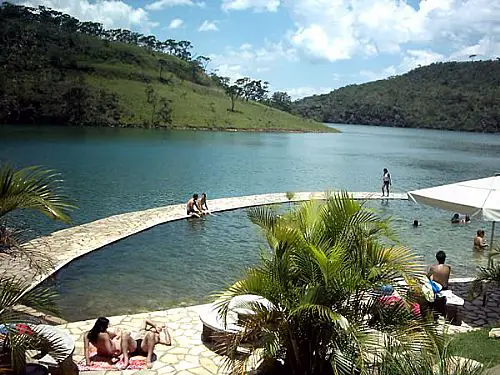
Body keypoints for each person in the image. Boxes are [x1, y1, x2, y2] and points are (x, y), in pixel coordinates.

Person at [84, 317, 171, 369]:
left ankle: (147, 359)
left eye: (160, 328)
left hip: (143, 346)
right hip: (136, 342)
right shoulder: (142, 331)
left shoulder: (155, 336)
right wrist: (156, 326)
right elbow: (145, 320)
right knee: (124, 334)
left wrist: (165, 331)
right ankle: (126, 359)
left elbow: (168, 342)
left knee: (150, 334)